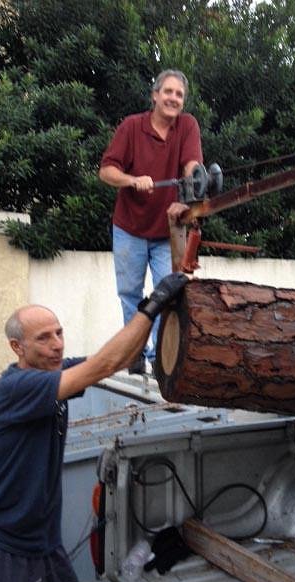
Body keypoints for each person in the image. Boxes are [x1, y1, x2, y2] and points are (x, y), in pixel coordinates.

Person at [0, 272, 188, 582]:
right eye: (43, 338)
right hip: (4, 546)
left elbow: (119, 358)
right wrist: (151, 306)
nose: (57, 344)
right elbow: (103, 366)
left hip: (43, 542)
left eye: (59, 333)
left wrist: (161, 311)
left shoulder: (54, 371)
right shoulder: (16, 387)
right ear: (17, 347)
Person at [99, 69, 203, 375]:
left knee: (169, 294)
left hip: (167, 231)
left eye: (179, 94)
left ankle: (160, 361)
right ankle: (135, 355)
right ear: (155, 95)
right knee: (130, 295)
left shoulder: (187, 125)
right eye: (168, 92)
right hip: (129, 228)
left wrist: (188, 195)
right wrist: (132, 180)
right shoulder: (132, 126)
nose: (173, 98)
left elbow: (192, 165)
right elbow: (106, 171)